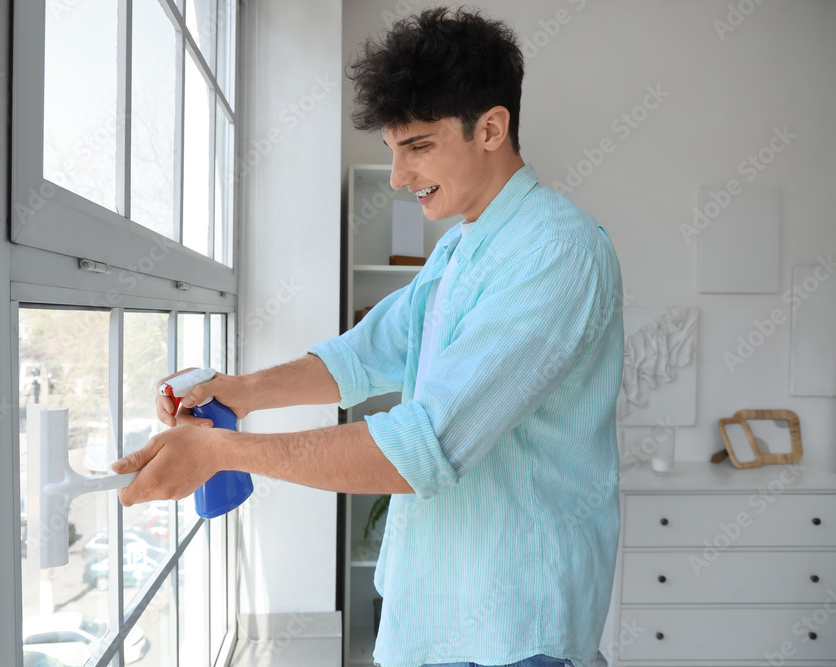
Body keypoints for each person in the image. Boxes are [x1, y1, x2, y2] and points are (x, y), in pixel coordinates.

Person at [114, 8, 624, 667]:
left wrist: (222, 451)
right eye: (392, 149)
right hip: (429, 616)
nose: (397, 176)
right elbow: (364, 354)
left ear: (492, 128)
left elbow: (423, 446)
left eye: (417, 146)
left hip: (512, 632)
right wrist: (236, 390)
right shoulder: (459, 250)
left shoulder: (556, 252)